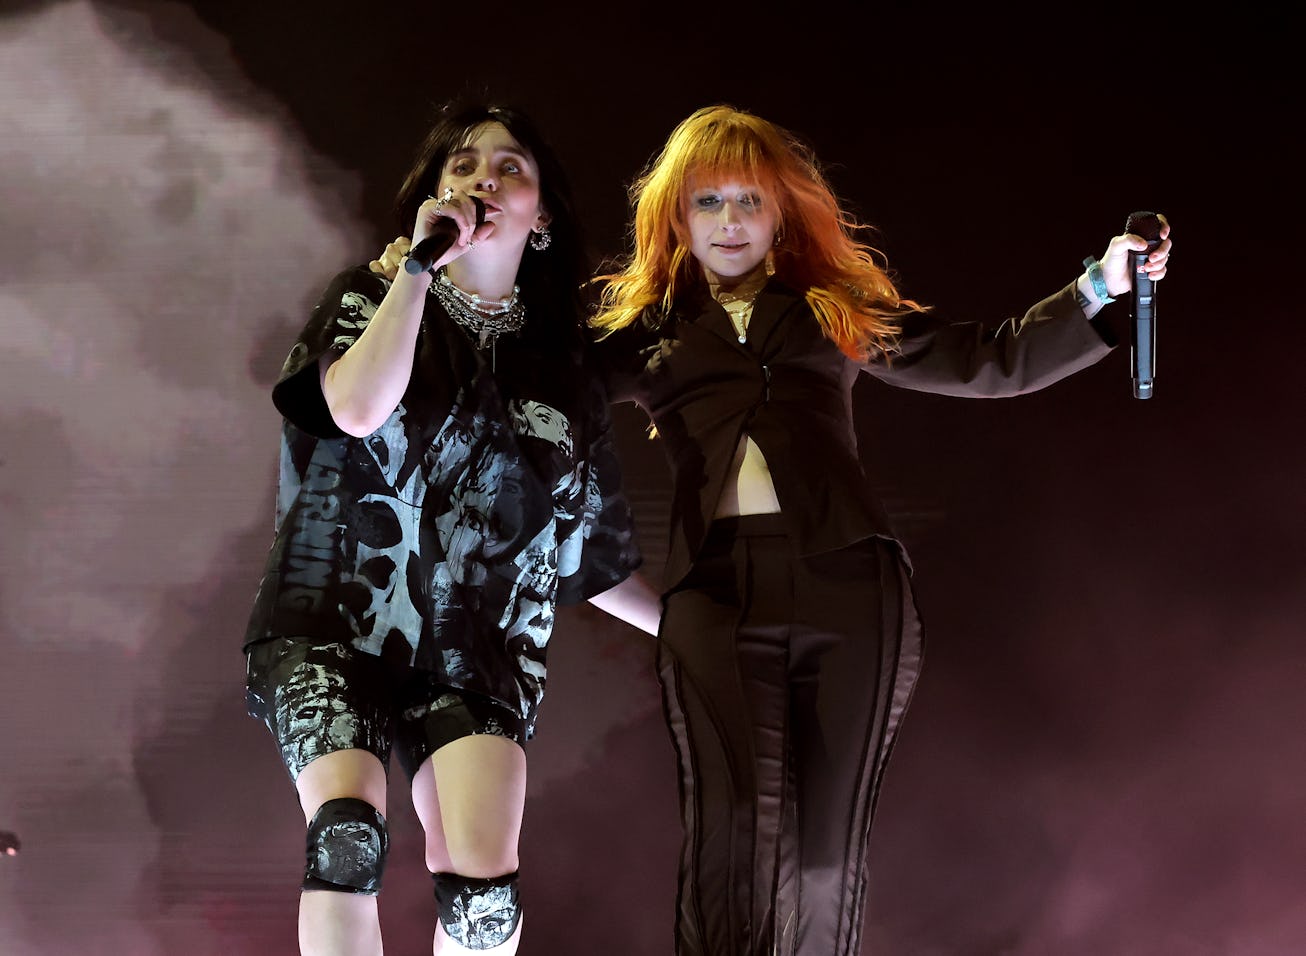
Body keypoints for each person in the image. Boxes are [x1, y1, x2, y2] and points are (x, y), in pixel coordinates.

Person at [370, 104, 1172, 956]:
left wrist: (1101, 285)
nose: (729, 221)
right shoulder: (647, 334)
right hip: (714, 598)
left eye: (749, 200)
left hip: (850, 584)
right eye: (708, 201)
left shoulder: (831, 311)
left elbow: (988, 358)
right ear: (677, 216)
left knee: (826, 853)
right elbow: (525, 391)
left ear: (780, 212)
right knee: (731, 843)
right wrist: (425, 284)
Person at [242, 103, 652, 956]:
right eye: (462, 166)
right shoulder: (372, 294)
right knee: (347, 836)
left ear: (542, 215)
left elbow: (592, 557)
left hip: (479, 643)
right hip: (335, 613)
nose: (483, 180)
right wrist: (418, 273)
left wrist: (704, 630)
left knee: (484, 898)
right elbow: (356, 409)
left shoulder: (567, 371)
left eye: (509, 168)